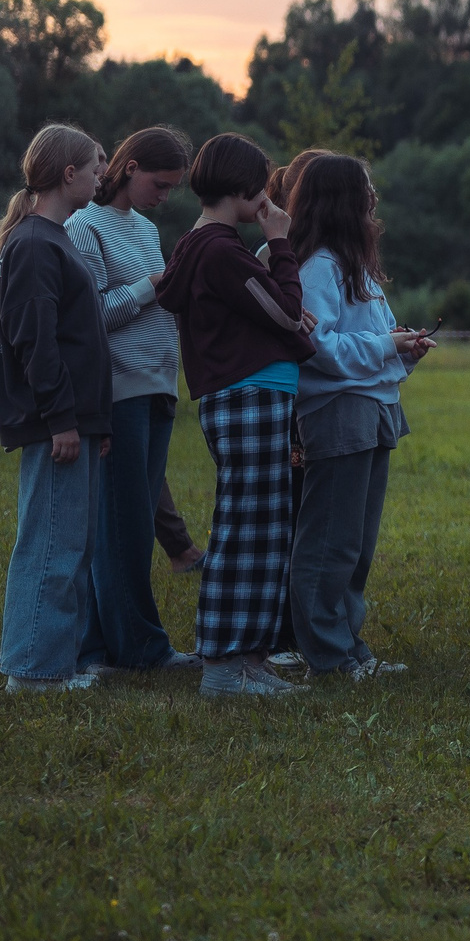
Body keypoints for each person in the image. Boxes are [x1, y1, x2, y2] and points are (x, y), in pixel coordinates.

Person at [156, 132, 314, 699]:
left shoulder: (198, 248)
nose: (268, 201)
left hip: (244, 393)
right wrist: (281, 243)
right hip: (248, 397)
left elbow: (265, 313)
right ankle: (225, 665)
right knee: (249, 531)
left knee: (263, 528)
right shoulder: (221, 251)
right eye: (262, 189)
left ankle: (249, 657)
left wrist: (271, 270)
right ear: (244, 189)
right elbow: (288, 312)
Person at [289, 154, 433, 679]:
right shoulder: (319, 268)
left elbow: (374, 344)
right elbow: (319, 347)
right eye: (365, 189)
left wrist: (404, 349)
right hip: (338, 411)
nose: (373, 198)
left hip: (374, 410)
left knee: (357, 545)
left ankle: (348, 647)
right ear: (342, 200)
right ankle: (327, 656)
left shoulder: (356, 268)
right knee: (331, 539)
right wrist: (386, 345)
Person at [66, 126, 196, 672]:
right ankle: (140, 648)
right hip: (118, 388)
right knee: (125, 529)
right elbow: (95, 312)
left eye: (171, 190)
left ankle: (104, 647)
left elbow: (155, 298)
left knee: (134, 522)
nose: (163, 197)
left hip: (158, 385)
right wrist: (154, 285)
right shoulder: (83, 226)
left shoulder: (144, 229)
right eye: (159, 184)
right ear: (131, 165)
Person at [0, 125, 114, 692]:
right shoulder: (36, 244)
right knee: (50, 544)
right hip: (54, 423)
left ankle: (55, 663)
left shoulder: (52, 238)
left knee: (72, 542)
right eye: (94, 167)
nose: (100, 175)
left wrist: (94, 422)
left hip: (76, 421)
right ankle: (34, 672)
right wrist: (63, 419)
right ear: (68, 174)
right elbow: (34, 342)